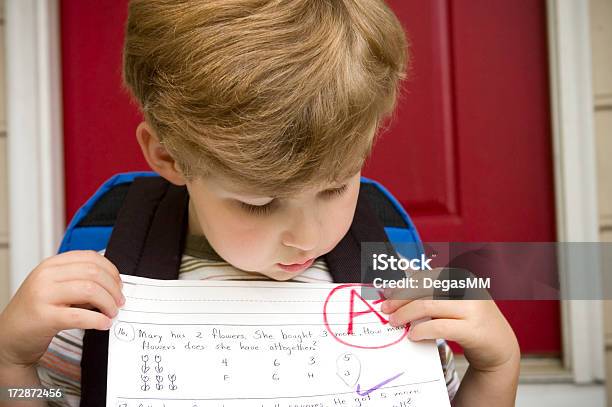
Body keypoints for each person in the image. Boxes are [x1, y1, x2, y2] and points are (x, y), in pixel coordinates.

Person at [0, 1, 520, 406]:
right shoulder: (112, 281)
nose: (307, 236)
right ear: (169, 156)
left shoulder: (385, 276)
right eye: (256, 204)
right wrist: (12, 364)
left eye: (336, 186)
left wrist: (496, 368)